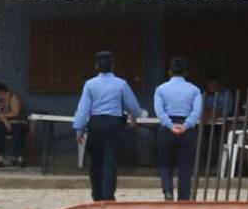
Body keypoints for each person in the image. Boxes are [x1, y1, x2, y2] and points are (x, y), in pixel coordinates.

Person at [71, 51, 143, 201]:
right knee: (110, 162)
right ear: (113, 66)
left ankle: (96, 195)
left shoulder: (89, 85)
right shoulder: (121, 84)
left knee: (96, 162)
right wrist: (134, 116)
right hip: (114, 126)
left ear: (96, 66)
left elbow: (83, 109)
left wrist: (79, 128)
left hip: (96, 125)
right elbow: (134, 107)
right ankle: (108, 196)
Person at [151, 57, 203, 201]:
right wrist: (186, 125)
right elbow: (197, 111)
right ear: (185, 72)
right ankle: (184, 198)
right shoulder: (194, 90)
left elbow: (159, 110)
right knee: (185, 166)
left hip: (167, 129)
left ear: (169, 72)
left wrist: (169, 124)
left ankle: (168, 191)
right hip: (187, 130)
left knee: (165, 163)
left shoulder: (161, 89)